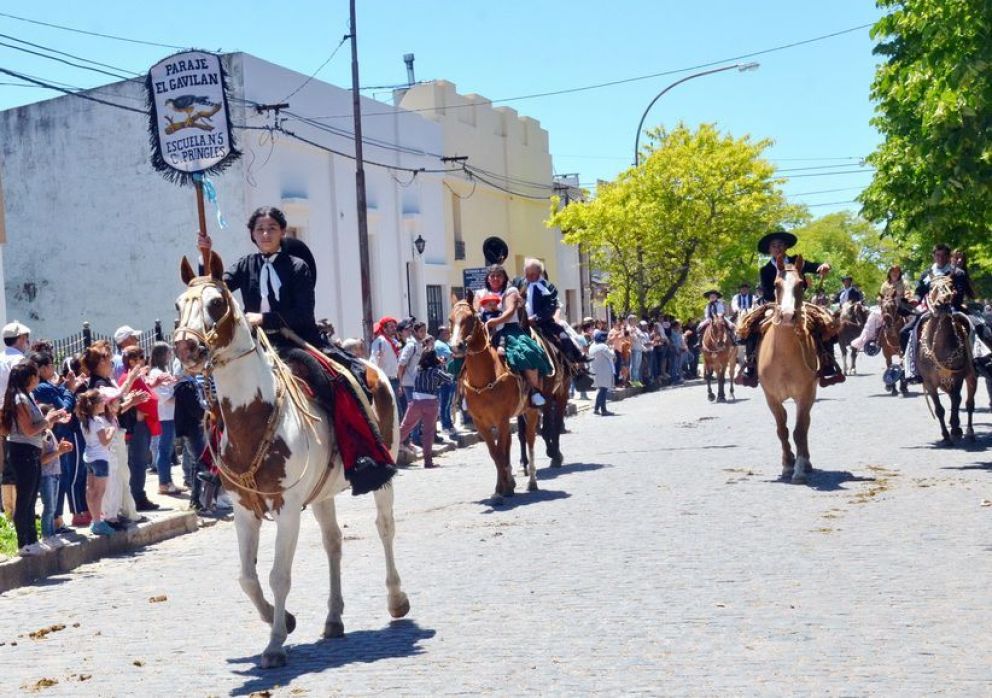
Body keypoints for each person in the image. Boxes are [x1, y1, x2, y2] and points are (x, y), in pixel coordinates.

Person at [195, 206, 396, 495]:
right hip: (255, 346)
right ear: (252, 234)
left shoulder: (297, 267)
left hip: (295, 341)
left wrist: (264, 318)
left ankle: (358, 456)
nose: (265, 234)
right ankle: (216, 463)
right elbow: (216, 290)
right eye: (260, 229)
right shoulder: (244, 265)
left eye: (271, 228)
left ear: (282, 232)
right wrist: (206, 256)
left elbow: (303, 314)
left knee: (338, 380)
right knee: (224, 394)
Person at [737, 229, 841, 387]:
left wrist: (823, 266)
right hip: (774, 304)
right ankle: (751, 366)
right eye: (774, 246)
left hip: (798, 302)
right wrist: (781, 292)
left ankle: (827, 363)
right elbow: (765, 291)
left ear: (786, 247)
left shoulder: (797, 262)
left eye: (780, 245)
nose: (777, 248)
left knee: (824, 321)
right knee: (751, 325)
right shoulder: (765, 270)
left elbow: (815, 266)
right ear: (769, 250)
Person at [1, 362, 71, 555]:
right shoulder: (19, 399)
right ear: (29, 377)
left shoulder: (28, 397)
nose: (38, 378)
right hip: (22, 451)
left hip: (31, 449)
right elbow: (29, 429)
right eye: (35, 375)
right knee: (25, 498)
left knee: (32, 499)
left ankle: (32, 539)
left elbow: (37, 425)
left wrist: (52, 418)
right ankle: (23, 543)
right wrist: (48, 420)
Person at [477, 264, 551, 406]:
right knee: (462, 356)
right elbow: (474, 311)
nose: (495, 279)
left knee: (526, 352)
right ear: (487, 278)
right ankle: (463, 395)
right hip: (484, 331)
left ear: (504, 278)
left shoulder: (511, 291)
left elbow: (510, 311)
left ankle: (534, 391)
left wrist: (495, 321)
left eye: (499, 275)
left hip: (509, 329)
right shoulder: (480, 293)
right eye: (492, 276)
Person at [901, 244, 975, 381]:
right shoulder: (927, 273)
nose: (940, 258)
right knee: (905, 332)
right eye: (937, 255)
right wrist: (914, 301)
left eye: (943, 255)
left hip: (953, 309)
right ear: (933, 256)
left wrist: (952, 296)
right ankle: (910, 367)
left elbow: (959, 295)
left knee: (976, 326)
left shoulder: (958, 273)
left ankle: (977, 360)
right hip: (931, 309)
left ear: (948, 257)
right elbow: (919, 292)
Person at [31, 351, 86, 532]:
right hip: (56, 435)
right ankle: (56, 520)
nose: (53, 369)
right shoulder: (42, 387)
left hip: (56, 434)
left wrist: (65, 387)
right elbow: (64, 408)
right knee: (59, 480)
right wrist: (70, 389)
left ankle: (58, 519)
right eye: (50, 365)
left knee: (61, 478)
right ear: (43, 368)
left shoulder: (45, 386)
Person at [77, 387, 126, 536]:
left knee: (90, 490)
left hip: (90, 457)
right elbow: (104, 441)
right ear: (95, 404)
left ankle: (95, 519)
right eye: (101, 401)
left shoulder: (85, 421)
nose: (103, 403)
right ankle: (98, 522)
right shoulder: (97, 421)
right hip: (100, 458)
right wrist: (111, 430)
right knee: (99, 492)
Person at [521, 259, 588, 366]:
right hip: (521, 322)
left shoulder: (548, 287)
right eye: (527, 274)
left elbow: (551, 307)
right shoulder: (520, 284)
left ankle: (574, 358)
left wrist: (535, 318)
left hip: (542, 322)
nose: (529, 277)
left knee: (562, 334)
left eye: (532, 274)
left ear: (539, 272)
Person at [398, 349, 452, 468]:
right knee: (428, 433)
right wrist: (442, 365)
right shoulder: (436, 371)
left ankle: (389, 452)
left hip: (416, 402)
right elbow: (449, 379)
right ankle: (428, 461)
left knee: (405, 427)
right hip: (431, 403)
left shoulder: (418, 370)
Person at [0, 321, 31, 520]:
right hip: (16, 411)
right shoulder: (19, 360)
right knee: (20, 459)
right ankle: (19, 511)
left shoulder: (1, 359)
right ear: (20, 339)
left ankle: (8, 510)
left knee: (4, 461)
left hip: (1, 411)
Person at [36, 405, 74, 548]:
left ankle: (51, 534)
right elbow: (41, 460)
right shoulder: (41, 435)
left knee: (53, 507)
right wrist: (58, 452)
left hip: (54, 474)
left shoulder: (49, 432)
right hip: (46, 475)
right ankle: (47, 536)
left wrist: (62, 449)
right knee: (49, 507)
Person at [851, 265, 913, 352]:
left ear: (900, 273)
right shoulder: (885, 284)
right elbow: (880, 296)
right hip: (886, 307)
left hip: (901, 307)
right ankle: (868, 340)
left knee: (912, 319)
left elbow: (908, 293)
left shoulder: (904, 283)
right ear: (889, 273)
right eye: (893, 271)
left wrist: (905, 298)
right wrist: (880, 300)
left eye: (897, 272)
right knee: (872, 317)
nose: (895, 273)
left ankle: (913, 341)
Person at [148, 342, 182, 496]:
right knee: (164, 449)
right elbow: (161, 396)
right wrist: (177, 393)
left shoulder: (164, 371)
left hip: (170, 414)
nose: (170, 355)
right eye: (168, 353)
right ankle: (163, 482)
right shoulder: (155, 373)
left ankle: (168, 481)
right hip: (164, 416)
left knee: (168, 450)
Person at [369, 316, 402, 400]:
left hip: (395, 380)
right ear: (384, 329)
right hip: (384, 380)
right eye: (391, 327)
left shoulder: (395, 342)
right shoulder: (380, 341)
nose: (394, 328)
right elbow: (374, 360)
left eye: (395, 326)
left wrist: (400, 384)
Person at [433, 327, 456, 437]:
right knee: (445, 403)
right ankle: (445, 425)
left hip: (449, 376)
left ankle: (449, 423)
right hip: (444, 378)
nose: (449, 334)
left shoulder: (445, 344)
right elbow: (453, 355)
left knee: (448, 403)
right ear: (441, 333)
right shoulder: (440, 345)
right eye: (446, 332)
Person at [588, 331, 616, 416]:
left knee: (600, 390)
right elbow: (611, 355)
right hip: (603, 371)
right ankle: (603, 410)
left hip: (595, 370)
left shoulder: (592, 346)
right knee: (603, 390)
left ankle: (596, 408)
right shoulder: (603, 346)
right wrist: (612, 348)